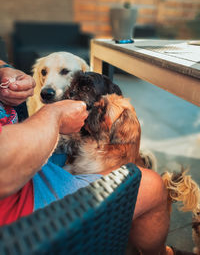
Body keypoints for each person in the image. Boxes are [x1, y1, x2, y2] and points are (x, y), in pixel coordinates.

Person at [0, 61, 194, 255]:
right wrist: (53, 115)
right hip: (18, 205)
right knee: (152, 184)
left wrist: (3, 70)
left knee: (81, 148)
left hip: (26, 161)